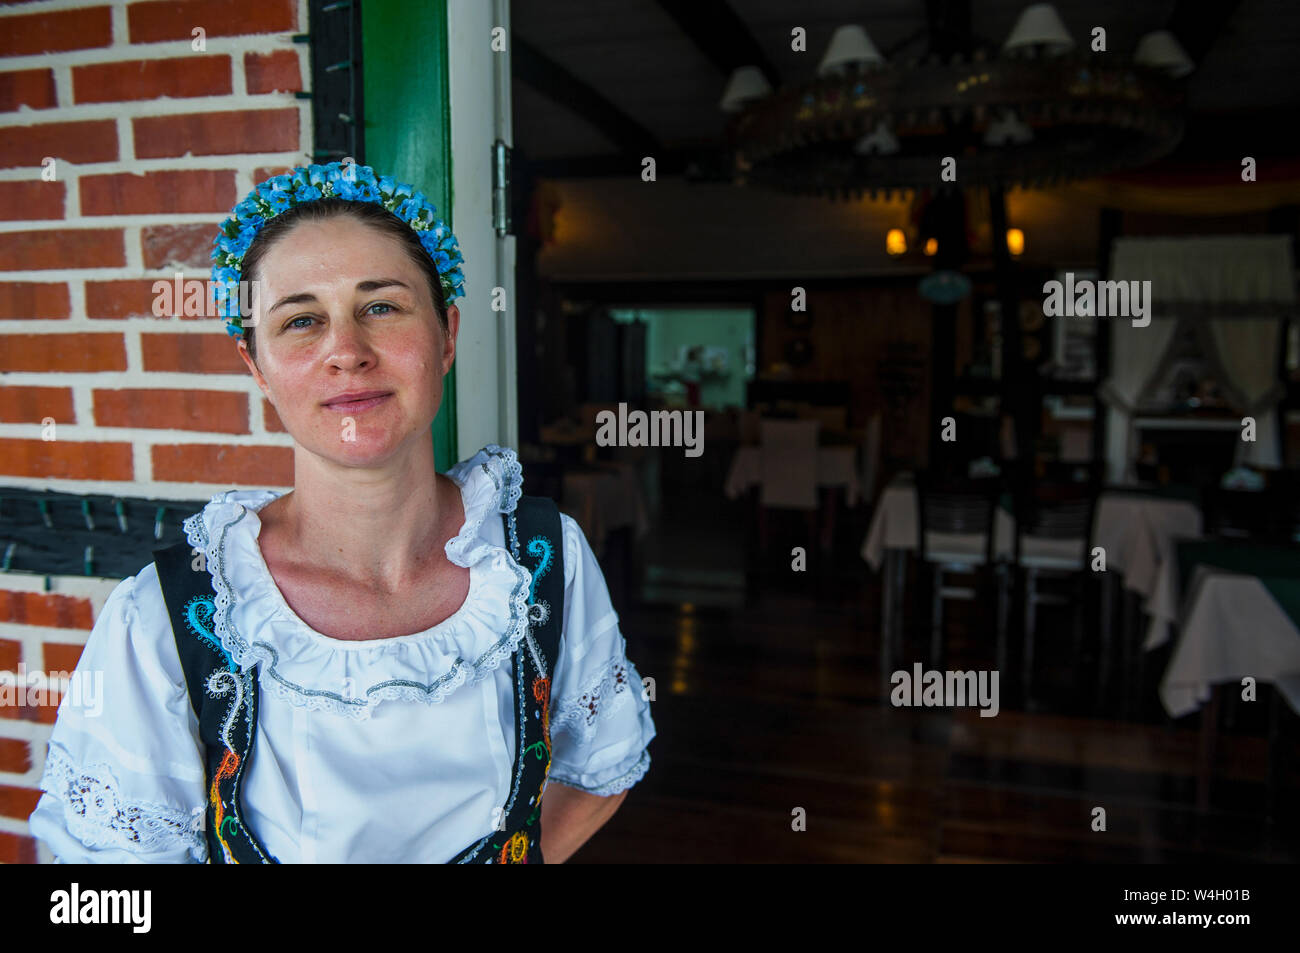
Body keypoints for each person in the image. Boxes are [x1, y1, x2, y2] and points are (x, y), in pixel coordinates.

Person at [28, 162, 655, 863]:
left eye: (381, 306)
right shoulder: (167, 616)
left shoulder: (544, 560)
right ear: (257, 366)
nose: (347, 352)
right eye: (301, 320)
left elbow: (600, 766)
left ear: (447, 335)